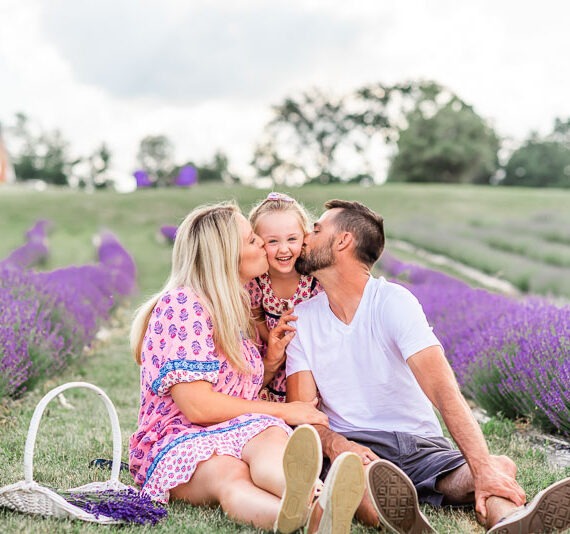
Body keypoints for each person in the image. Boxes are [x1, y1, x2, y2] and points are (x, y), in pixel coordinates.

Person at [286, 199, 570, 534]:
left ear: (343, 241)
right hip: (356, 448)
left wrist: (481, 467)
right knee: (355, 481)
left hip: (418, 445)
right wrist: (338, 445)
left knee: (496, 466)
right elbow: (303, 412)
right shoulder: (302, 319)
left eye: (317, 229)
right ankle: (402, 518)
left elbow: (442, 388)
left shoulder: (394, 302)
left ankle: (508, 522)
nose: (305, 235)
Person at [128, 201, 363, 533]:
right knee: (230, 475)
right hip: (179, 438)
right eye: (254, 240)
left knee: (268, 439)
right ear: (226, 255)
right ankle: (305, 518)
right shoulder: (183, 304)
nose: (264, 248)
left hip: (237, 428)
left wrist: (269, 363)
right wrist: (286, 411)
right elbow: (197, 406)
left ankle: (318, 499)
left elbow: (234, 390)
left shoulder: (236, 307)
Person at [246, 192, 322, 402]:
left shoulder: (315, 280)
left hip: (312, 367)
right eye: (272, 241)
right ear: (258, 243)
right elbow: (256, 314)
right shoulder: (257, 281)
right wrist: (270, 338)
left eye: (292, 239)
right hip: (274, 366)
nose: (284, 249)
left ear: (304, 238)